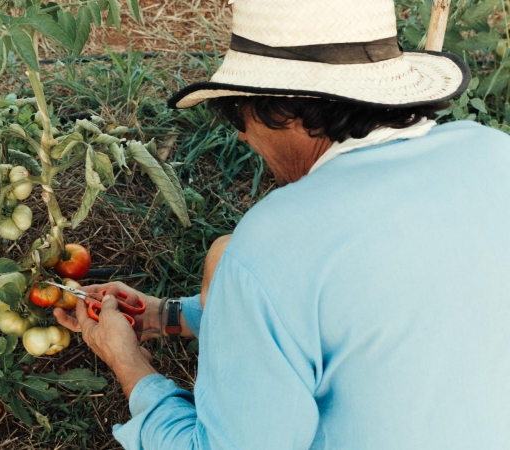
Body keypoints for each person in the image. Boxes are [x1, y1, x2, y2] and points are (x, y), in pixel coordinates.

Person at [54, 0, 510, 448]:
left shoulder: (270, 245)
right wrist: (166, 316)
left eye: (239, 111)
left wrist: (128, 363)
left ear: (287, 111)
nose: (240, 133)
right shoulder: (492, 152)